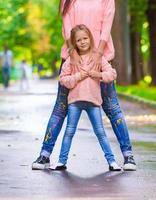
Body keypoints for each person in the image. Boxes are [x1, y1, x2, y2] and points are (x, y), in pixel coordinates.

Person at [32, 0, 136, 171]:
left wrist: (98, 53)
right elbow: (67, 25)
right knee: (61, 108)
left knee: (112, 107)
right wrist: (72, 53)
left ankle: (128, 155)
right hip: (72, 59)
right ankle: (45, 155)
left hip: (101, 57)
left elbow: (107, 23)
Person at [55, 24, 120, 171]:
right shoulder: (71, 61)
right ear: (74, 43)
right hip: (75, 103)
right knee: (69, 131)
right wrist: (78, 76)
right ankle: (61, 161)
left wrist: (99, 75)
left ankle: (112, 161)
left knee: (100, 132)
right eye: (78, 40)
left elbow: (112, 74)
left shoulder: (97, 58)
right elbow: (63, 79)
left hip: (93, 103)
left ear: (90, 39)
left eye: (85, 38)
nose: (83, 42)